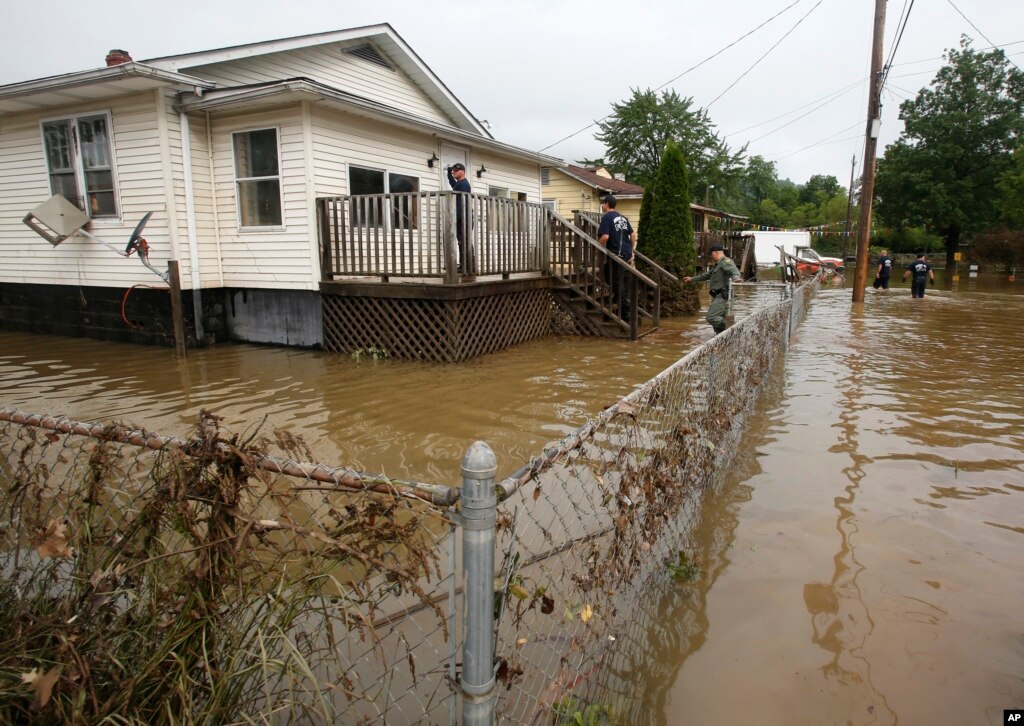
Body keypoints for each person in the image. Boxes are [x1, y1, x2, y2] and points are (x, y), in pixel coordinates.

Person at [683, 244, 742, 334]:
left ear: (716, 252)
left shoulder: (726, 261)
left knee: (711, 317)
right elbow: (707, 275)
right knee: (717, 326)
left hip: (723, 296)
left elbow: (734, 270)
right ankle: (724, 339)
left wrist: (736, 278)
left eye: (711, 254)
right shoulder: (718, 265)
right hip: (718, 296)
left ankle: (735, 327)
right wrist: (692, 279)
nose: (711, 256)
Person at [597, 195, 637, 319]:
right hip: (626, 253)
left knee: (617, 281)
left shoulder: (607, 217)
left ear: (607, 204)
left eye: (603, 204)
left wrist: (596, 247)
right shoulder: (623, 218)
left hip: (616, 254)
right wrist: (631, 250)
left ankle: (626, 312)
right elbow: (633, 235)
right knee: (608, 272)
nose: (602, 206)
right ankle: (616, 297)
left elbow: (605, 237)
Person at [446, 163, 472, 274]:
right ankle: (464, 265)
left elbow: (461, 202)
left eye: (456, 171)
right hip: (462, 217)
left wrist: (457, 216)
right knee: (462, 241)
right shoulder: (460, 184)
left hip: (464, 217)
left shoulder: (464, 184)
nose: (454, 172)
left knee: (464, 241)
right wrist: (448, 173)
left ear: (462, 171)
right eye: (453, 171)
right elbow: (453, 184)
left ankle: (469, 266)